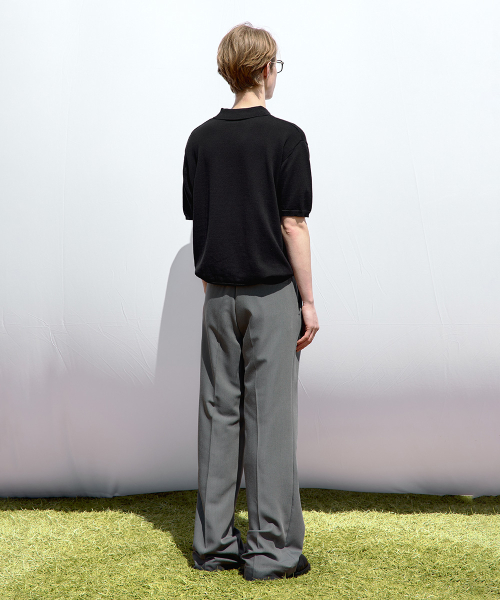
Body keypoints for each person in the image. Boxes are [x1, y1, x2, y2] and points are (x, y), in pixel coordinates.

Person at [182, 21, 319, 581]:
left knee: (218, 415)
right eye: (275, 65)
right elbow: (292, 224)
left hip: (218, 297)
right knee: (270, 419)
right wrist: (308, 302)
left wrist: (218, 288)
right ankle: (270, 550)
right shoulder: (286, 138)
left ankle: (213, 546)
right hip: (271, 295)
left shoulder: (200, 139)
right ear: (265, 69)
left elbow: (201, 217)